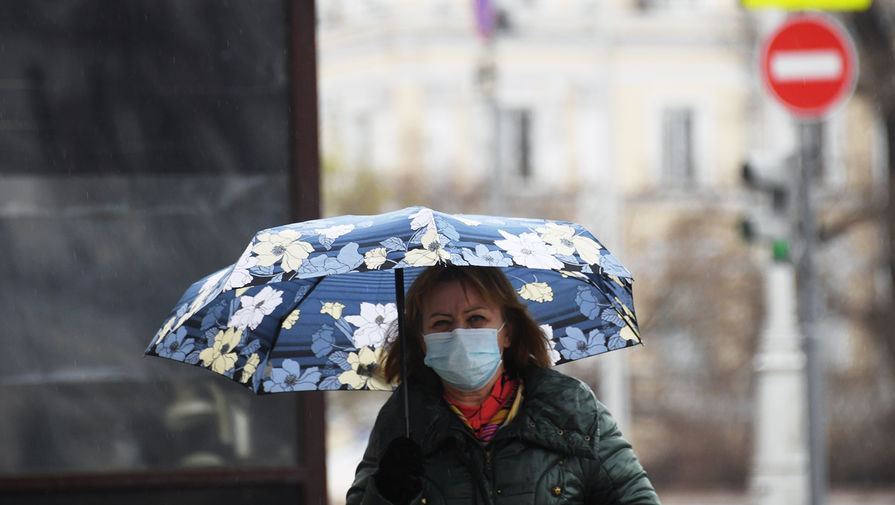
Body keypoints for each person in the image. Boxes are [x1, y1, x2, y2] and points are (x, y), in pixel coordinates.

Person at [346, 265, 661, 505]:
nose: (459, 334)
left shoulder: (570, 409)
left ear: (508, 332)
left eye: (476, 319)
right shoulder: (402, 420)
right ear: (423, 342)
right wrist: (384, 493)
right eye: (441, 323)